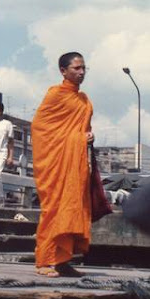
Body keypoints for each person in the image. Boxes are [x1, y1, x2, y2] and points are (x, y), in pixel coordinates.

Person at [32, 52, 94, 277]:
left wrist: (86, 137)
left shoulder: (85, 100)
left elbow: (81, 129)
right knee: (53, 209)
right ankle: (44, 261)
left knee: (71, 209)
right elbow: (40, 129)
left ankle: (62, 260)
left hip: (74, 164)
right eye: (76, 68)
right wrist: (77, 139)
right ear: (63, 71)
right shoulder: (55, 95)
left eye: (84, 68)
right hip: (55, 163)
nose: (81, 72)